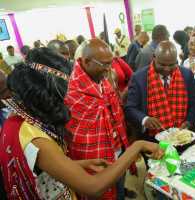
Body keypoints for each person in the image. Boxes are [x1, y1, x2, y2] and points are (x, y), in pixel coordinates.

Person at [0, 48, 163, 200]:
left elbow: (42, 168)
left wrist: (80, 164)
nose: (64, 102)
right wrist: (138, 146)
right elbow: (93, 187)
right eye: (60, 96)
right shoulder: (35, 138)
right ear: (44, 95)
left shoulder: (17, 119)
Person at [64, 39, 137, 200]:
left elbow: (113, 108)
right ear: (86, 61)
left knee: (118, 184)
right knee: (102, 192)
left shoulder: (101, 78)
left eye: (110, 63)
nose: (109, 69)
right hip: (93, 157)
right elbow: (75, 134)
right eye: (104, 64)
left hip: (117, 146)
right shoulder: (71, 90)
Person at [125, 41, 195, 141]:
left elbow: (194, 104)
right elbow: (130, 108)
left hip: (181, 137)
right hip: (152, 139)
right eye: (162, 64)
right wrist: (145, 119)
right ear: (154, 57)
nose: (167, 69)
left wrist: (189, 122)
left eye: (172, 64)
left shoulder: (186, 75)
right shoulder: (139, 78)